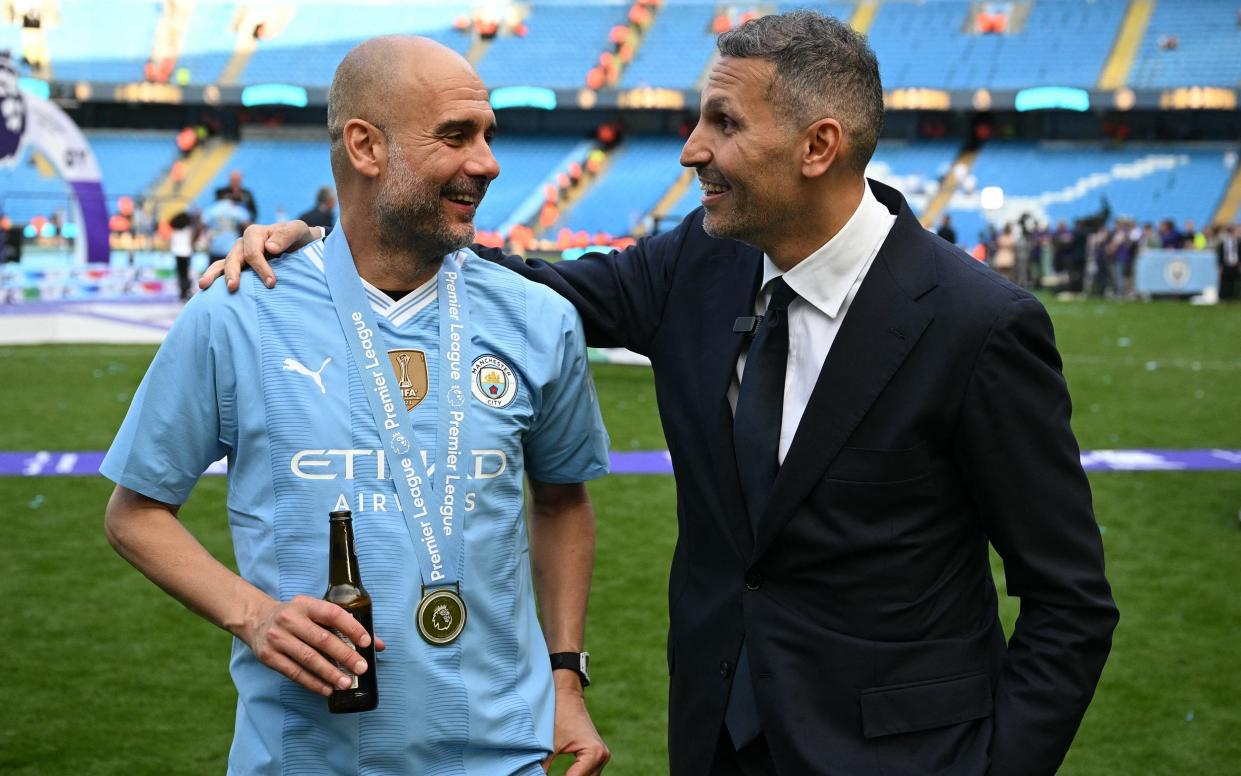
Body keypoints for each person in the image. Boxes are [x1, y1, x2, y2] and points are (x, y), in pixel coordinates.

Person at [212, 12, 1117, 775]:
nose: (692, 150)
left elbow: (1068, 599)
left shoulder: (976, 324)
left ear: (817, 147)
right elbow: (529, 287)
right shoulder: (702, 261)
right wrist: (340, 239)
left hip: (904, 755)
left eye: (723, 123)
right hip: (716, 737)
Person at [105, 35, 612, 775]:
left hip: (505, 756)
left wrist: (565, 675)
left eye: (488, 137)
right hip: (304, 757)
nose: (488, 162)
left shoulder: (537, 318)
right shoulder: (240, 310)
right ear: (366, 146)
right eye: (455, 135)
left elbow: (563, 501)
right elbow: (135, 513)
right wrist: (255, 616)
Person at [201, 189, 251, 264]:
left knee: (214, 273)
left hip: (215, 249)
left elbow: (201, 226)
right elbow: (248, 227)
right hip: (232, 249)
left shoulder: (211, 209)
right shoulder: (237, 209)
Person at [1218, 223, 1240, 300]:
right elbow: (1220, 255)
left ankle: (1236, 297)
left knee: (1236, 282)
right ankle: (1225, 297)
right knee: (1226, 282)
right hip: (1226, 265)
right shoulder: (1223, 243)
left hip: (1236, 265)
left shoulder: (1238, 242)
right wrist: (1220, 266)